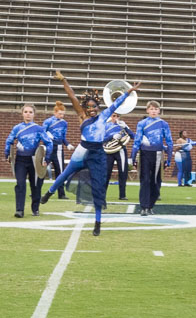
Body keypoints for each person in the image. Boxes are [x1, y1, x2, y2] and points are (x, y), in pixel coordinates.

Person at [42, 72, 138, 236]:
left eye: (95, 107)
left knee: (98, 188)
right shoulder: (81, 116)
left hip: (98, 153)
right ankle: (49, 193)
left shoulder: (104, 116)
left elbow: (117, 103)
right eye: (89, 107)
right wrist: (64, 80)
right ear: (85, 107)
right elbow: (71, 96)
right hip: (83, 151)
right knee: (66, 173)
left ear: (98, 107)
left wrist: (129, 92)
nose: (92, 109)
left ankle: (98, 223)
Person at [3, 104, 53, 217]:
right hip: (20, 160)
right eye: (26, 112)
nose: (28, 114)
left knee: (35, 185)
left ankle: (35, 208)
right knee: (20, 184)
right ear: (22, 113)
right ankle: (19, 210)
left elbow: (49, 143)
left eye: (30, 112)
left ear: (34, 114)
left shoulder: (39, 129)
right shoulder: (17, 128)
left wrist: (47, 157)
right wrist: (7, 154)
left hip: (35, 160)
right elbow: (9, 140)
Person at [131, 100, 173, 215]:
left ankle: (150, 205)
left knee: (156, 181)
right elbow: (137, 141)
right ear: (147, 110)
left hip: (158, 154)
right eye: (151, 109)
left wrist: (169, 158)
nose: (153, 111)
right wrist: (133, 157)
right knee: (144, 180)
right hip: (144, 153)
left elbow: (169, 141)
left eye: (155, 109)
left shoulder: (164, 124)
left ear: (159, 111)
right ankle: (144, 207)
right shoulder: (142, 123)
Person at [106, 113, 131, 200]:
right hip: (109, 151)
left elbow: (133, 136)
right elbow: (102, 139)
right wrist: (111, 136)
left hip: (120, 150)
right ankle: (102, 194)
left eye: (117, 116)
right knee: (106, 173)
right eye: (113, 116)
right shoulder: (106, 125)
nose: (115, 118)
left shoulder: (122, 125)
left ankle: (122, 195)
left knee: (123, 172)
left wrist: (126, 128)